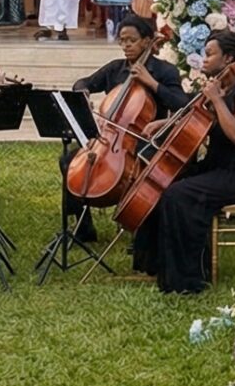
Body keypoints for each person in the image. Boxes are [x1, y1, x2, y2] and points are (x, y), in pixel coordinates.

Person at [128, 29, 235, 294]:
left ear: (228, 58)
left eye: (210, 54)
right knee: (166, 182)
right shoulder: (223, 88)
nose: (204, 59)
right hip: (218, 167)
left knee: (178, 195)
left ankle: (187, 279)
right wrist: (164, 122)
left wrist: (216, 100)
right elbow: (198, 118)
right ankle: (157, 264)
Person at [64, 14, 190, 241]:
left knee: (142, 164)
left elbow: (182, 104)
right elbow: (83, 83)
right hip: (111, 139)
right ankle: (83, 228)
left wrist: (152, 83)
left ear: (147, 41)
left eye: (132, 40)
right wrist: (83, 91)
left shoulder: (165, 71)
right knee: (69, 161)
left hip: (149, 139)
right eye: (122, 41)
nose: (126, 45)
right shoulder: (115, 69)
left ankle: (139, 226)